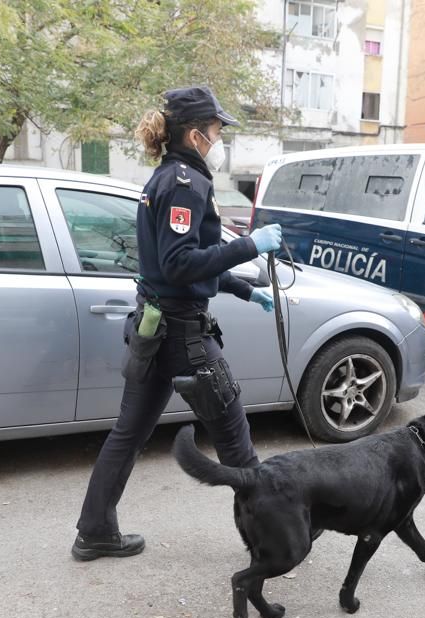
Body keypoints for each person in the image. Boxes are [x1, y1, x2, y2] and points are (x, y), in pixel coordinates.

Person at [71, 85, 284, 561]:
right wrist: (252, 245)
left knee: (128, 434)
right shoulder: (186, 183)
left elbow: (178, 267)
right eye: (216, 130)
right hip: (183, 338)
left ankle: (94, 531)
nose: (219, 138)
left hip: (156, 328)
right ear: (195, 134)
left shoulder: (166, 178)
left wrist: (245, 289)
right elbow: (181, 263)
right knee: (236, 441)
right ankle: (270, 541)